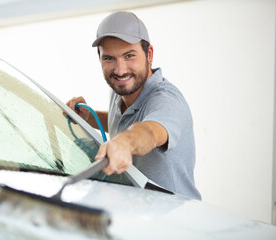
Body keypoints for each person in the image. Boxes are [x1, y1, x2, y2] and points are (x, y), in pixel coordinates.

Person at [67, 11, 201, 200]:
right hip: (136, 208)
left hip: (174, 217)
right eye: (109, 58)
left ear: (149, 54)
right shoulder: (120, 88)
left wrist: (125, 142)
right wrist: (90, 116)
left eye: (129, 56)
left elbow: (149, 132)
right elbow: (122, 120)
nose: (119, 70)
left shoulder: (168, 102)